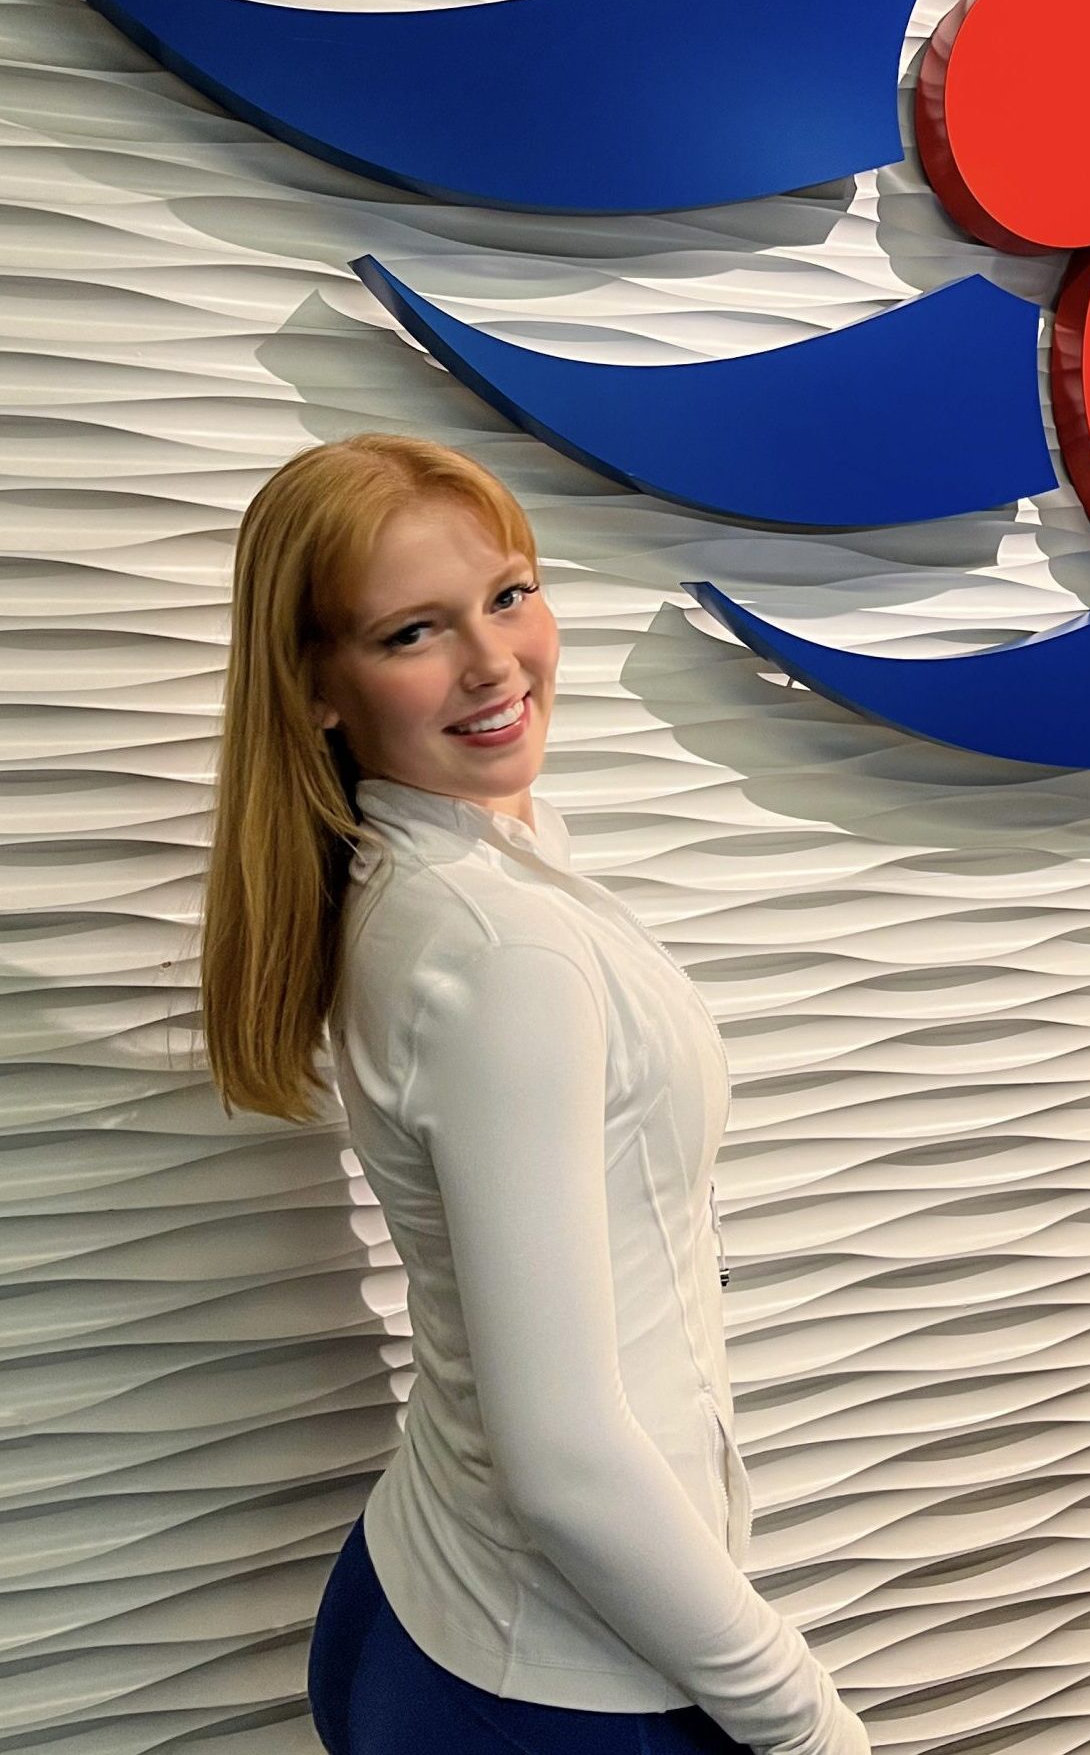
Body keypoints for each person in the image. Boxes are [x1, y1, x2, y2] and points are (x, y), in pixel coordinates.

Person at [199, 432, 872, 1755]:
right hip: (552, 1682)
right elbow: (563, 1457)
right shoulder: (503, 952)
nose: (495, 660)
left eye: (509, 593)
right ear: (318, 688)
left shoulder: (448, 872)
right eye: (413, 632)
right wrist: (805, 1722)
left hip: (435, 1604)